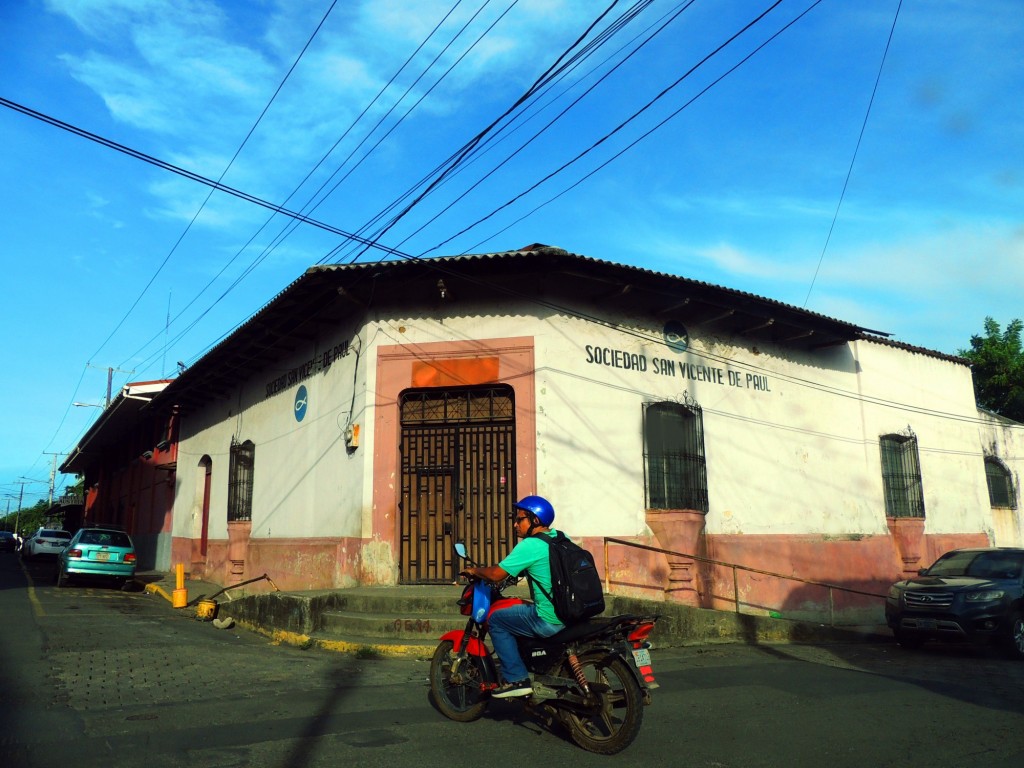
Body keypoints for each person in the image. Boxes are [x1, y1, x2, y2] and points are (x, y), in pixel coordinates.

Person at [461, 494, 564, 698]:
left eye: (520, 519)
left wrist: (474, 571)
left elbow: (496, 574)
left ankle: (517, 679)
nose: (515, 524)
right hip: (569, 612)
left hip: (550, 619)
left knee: (497, 619)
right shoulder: (560, 538)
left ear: (535, 520)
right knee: (521, 608)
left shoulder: (530, 545)